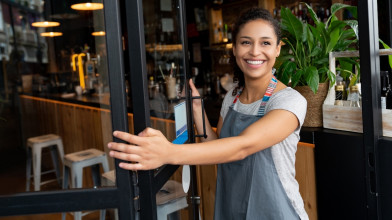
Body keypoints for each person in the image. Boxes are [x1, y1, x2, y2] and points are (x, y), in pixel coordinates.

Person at [108, 7, 309, 220]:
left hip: (276, 212)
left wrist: (167, 153)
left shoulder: (289, 101)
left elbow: (242, 146)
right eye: (246, 42)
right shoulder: (232, 96)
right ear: (234, 48)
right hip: (231, 208)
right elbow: (219, 149)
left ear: (278, 49)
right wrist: (197, 110)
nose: (255, 52)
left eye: (265, 43)